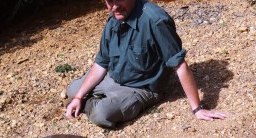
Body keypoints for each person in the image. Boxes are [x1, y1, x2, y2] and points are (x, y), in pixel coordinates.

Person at [65, 0, 227, 128]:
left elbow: (180, 65)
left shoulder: (155, 21)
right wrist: (79, 97)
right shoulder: (114, 18)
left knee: (101, 115)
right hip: (113, 76)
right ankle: (91, 100)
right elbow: (101, 63)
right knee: (73, 90)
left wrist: (197, 109)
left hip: (141, 87)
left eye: (119, 0)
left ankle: (98, 103)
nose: (114, 7)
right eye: (109, 1)